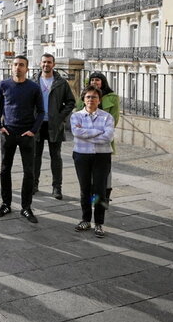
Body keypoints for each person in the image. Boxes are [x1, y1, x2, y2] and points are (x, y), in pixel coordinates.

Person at [0, 55, 44, 223]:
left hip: (26, 135)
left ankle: (26, 207)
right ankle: (6, 203)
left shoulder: (34, 87)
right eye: (15, 64)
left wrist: (33, 131)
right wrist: (0, 126)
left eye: (21, 65)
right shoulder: (3, 85)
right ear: (11, 67)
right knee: (5, 170)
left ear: (27, 69)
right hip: (8, 133)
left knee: (29, 172)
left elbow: (41, 111)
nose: (18, 67)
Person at [71, 85, 115, 238]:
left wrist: (86, 134)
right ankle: (85, 219)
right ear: (83, 99)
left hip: (102, 157)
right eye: (88, 97)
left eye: (94, 97)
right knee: (85, 189)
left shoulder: (107, 117)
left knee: (100, 190)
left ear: (99, 100)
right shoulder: (76, 116)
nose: (91, 100)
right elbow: (76, 132)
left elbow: (108, 137)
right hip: (81, 155)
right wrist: (98, 132)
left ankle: (99, 223)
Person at [32, 53, 76, 199]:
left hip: (54, 124)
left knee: (55, 157)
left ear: (54, 64)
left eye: (49, 62)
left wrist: (60, 117)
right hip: (36, 124)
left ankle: (57, 188)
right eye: (44, 62)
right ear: (40, 64)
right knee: (35, 156)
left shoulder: (61, 83)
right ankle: (34, 184)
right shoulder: (33, 82)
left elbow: (71, 102)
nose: (46, 65)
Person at [78, 72, 120, 201]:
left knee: (105, 169)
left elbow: (114, 118)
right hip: (86, 141)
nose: (94, 82)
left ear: (102, 82)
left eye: (97, 80)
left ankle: (105, 195)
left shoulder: (112, 97)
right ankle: (92, 196)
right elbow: (78, 116)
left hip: (103, 139)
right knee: (88, 169)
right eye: (92, 80)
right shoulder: (85, 96)